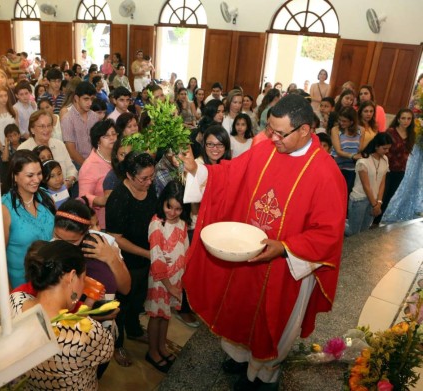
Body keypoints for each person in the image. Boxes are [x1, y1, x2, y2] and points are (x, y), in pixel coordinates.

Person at [177, 94, 346, 390]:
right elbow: (230, 176)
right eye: (270, 129)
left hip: (287, 266)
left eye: (280, 132)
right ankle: (240, 358)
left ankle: (264, 376)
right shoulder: (265, 149)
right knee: (240, 309)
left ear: (305, 130)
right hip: (249, 252)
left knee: (273, 324)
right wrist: (197, 169)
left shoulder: (326, 173)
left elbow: (327, 233)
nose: (272, 137)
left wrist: (284, 247)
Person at [10, 240, 114, 390]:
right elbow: (106, 352)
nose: (83, 285)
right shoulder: (87, 333)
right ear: (71, 277)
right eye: (83, 279)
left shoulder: (15, 301)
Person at [105, 152, 158, 366]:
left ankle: (134, 329)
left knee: (138, 298)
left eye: (151, 177)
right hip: (125, 260)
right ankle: (117, 344)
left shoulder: (149, 187)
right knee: (121, 303)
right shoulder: (119, 198)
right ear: (129, 175)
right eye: (143, 178)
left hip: (147, 255)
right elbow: (116, 237)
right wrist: (147, 253)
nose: (149, 182)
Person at [145, 181, 190, 373]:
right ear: (162, 202)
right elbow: (156, 258)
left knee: (166, 315)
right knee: (156, 316)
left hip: (175, 279)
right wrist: (169, 285)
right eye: (168, 206)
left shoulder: (182, 223)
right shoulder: (157, 223)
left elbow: (186, 250)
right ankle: (152, 351)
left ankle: (162, 346)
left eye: (178, 209)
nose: (172, 212)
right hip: (159, 280)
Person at [2, 150, 56, 288]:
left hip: (50, 277)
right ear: (15, 176)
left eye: (39, 174)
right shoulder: (4, 209)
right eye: (30, 175)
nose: (37, 180)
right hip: (21, 283)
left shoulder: (45, 197)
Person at [345, 133, 392, 236]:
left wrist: (379, 202)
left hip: (374, 200)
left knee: (364, 232)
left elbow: (382, 183)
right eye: (384, 148)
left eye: (388, 149)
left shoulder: (385, 160)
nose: (387, 151)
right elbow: (366, 186)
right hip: (360, 200)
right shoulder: (363, 161)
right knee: (354, 232)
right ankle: (337, 225)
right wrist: (375, 205)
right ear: (376, 146)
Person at [18, 109, 78, 188]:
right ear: (32, 129)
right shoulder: (23, 150)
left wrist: (69, 182)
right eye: (42, 126)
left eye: (49, 125)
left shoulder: (59, 145)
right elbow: (21, 179)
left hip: (63, 192)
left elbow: (71, 169)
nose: (46, 129)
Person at [79, 120, 117, 229]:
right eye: (106, 136)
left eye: (114, 134)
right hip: (102, 223)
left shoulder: (118, 157)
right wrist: (103, 201)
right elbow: (83, 197)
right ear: (97, 141)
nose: (112, 138)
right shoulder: (90, 165)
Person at [379, 109, 415, 219]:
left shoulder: (412, 134)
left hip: (400, 171)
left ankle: (377, 222)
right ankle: (372, 219)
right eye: (403, 118)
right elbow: (382, 148)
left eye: (409, 118)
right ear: (398, 119)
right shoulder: (391, 131)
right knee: (382, 195)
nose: (406, 121)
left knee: (390, 196)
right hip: (387, 169)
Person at [61, 81, 100, 167]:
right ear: (76, 98)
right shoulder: (68, 119)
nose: (90, 103)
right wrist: (88, 166)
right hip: (77, 164)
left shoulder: (95, 117)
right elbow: (71, 151)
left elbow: (99, 143)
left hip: (96, 161)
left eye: (92, 99)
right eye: (86, 99)